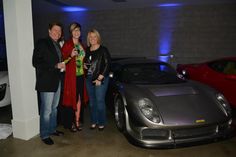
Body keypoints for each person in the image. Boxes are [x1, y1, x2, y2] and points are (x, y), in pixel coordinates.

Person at [32, 22, 65, 145]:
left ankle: (52, 129)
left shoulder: (57, 45)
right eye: (55, 30)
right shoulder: (42, 42)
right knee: (46, 110)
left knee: (54, 108)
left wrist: (61, 67)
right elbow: (36, 62)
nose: (58, 33)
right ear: (49, 30)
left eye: (60, 31)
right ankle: (44, 134)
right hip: (46, 82)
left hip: (57, 80)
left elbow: (58, 61)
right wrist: (55, 65)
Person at [61, 22, 88, 132]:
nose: (77, 32)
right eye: (74, 30)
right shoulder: (67, 45)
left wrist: (84, 65)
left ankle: (77, 121)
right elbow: (63, 61)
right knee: (72, 98)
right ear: (71, 32)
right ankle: (71, 122)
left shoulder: (82, 45)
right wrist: (70, 56)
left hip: (81, 76)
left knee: (80, 99)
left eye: (78, 30)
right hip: (71, 77)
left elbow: (82, 59)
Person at [84, 29, 111, 131]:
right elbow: (86, 62)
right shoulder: (87, 50)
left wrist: (100, 77)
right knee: (92, 102)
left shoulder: (103, 50)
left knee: (99, 101)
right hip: (89, 78)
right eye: (90, 37)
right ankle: (94, 121)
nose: (92, 39)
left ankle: (101, 122)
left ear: (98, 37)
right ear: (88, 39)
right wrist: (84, 66)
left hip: (101, 78)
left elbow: (108, 64)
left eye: (94, 36)